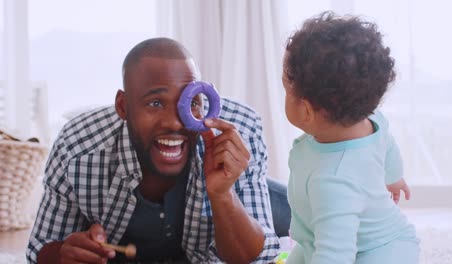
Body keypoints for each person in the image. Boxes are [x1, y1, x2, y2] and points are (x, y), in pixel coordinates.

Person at [26, 38, 280, 264]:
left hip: (248, 195)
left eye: (191, 102)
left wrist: (223, 194)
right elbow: (40, 247)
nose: (175, 122)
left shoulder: (239, 132)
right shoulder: (77, 148)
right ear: (123, 106)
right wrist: (63, 255)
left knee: (306, 215)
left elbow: (255, 258)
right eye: (156, 103)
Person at [282, 12, 420, 264]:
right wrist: (394, 176)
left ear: (306, 111)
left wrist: (392, 177)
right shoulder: (371, 118)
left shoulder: (333, 181)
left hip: (383, 248)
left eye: (286, 89)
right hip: (316, 237)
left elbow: (335, 255)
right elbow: (387, 144)